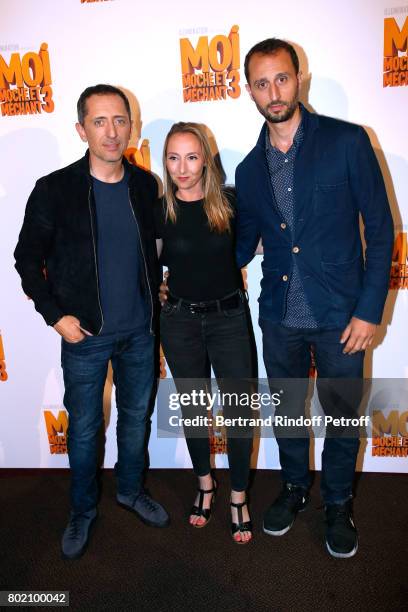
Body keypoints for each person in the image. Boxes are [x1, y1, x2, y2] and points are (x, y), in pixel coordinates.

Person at [235, 39, 394, 558]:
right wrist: (178, 265)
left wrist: (370, 308)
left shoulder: (347, 142)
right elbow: (238, 244)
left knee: (343, 415)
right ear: (249, 90)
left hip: (341, 317)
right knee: (287, 413)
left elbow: (381, 226)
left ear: (298, 77)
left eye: (281, 78)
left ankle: (339, 501)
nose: (273, 91)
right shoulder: (249, 170)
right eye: (261, 83)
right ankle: (296, 488)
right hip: (280, 317)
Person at [14, 84, 169, 560]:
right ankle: (82, 511)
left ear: (131, 126)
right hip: (85, 335)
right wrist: (55, 316)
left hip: (140, 332)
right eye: (99, 122)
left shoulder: (145, 186)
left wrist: (157, 286)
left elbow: (154, 249)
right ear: (81, 129)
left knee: (135, 419)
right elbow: (26, 260)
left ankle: (129, 490)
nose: (111, 131)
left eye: (119, 120)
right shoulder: (54, 190)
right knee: (83, 429)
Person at [155, 122, 256, 544]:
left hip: (229, 319)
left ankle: (237, 494)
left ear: (206, 158)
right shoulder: (159, 210)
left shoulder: (230, 202)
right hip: (178, 322)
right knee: (195, 408)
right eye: (173, 158)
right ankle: (205, 484)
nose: (183, 168)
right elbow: (149, 264)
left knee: (238, 410)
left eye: (191, 157)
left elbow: (258, 241)